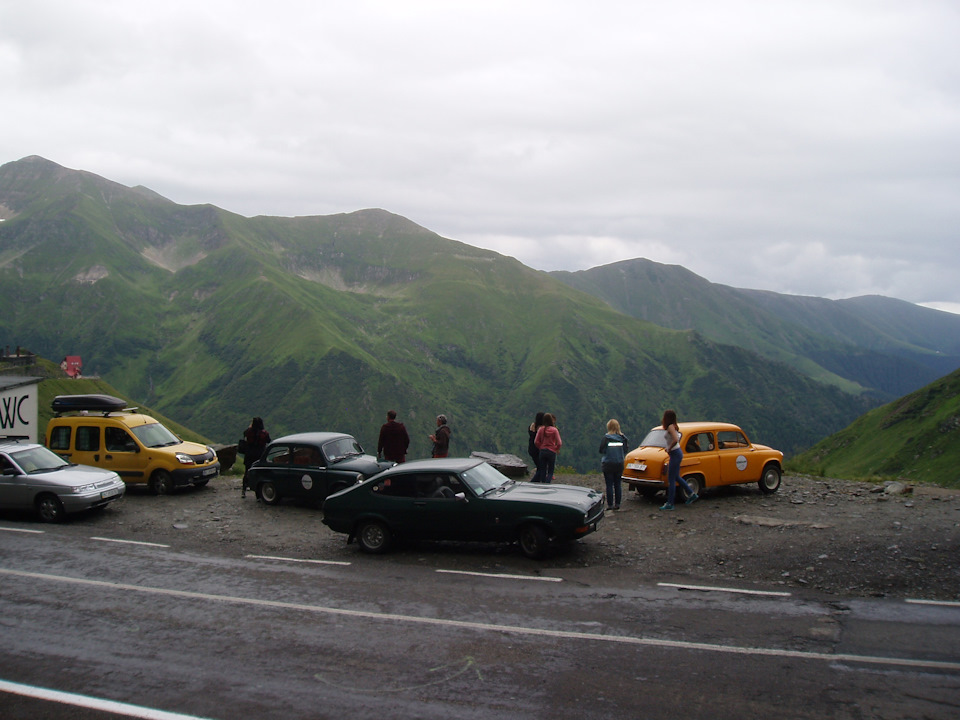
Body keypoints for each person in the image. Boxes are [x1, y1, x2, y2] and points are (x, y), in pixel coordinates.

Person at [660, 409, 698, 510]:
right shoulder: (673, 426)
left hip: (675, 453)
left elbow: (676, 439)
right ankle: (691, 493)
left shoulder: (670, 427)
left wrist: (669, 448)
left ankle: (670, 503)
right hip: (676, 453)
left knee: (671, 479)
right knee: (676, 477)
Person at [599, 419, 629, 510]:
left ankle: (610, 505)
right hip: (619, 463)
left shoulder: (606, 438)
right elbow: (625, 450)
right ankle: (618, 504)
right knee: (617, 484)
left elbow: (601, 450)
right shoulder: (623, 438)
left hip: (608, 463)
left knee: (609, 485)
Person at [240, 416, 271, 498]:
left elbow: (244, 434)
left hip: (249, 454)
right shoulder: (264, 433)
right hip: (259, 455)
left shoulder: (249, 432)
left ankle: (244, 490)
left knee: (247, 471)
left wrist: (250, 427)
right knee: (258, 473)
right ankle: (258, 494)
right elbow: (268, 440)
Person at [533, 413, 561, 484]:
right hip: (551, 452)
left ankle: (543, 484)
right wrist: (556, 448)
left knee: (543, 469)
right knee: (550, 471)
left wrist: (540, 447)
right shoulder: (554, 430)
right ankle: (547, 484)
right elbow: (559, 443)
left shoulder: (541, 429)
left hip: (543, 451)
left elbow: (536, 441)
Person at [527, 412, 544, 481]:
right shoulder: (541, 429)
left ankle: (537, 481)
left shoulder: (532, 426)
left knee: (539, 467)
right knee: (541, 468)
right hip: (538, 449)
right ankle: (533, 482)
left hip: (531, 448)